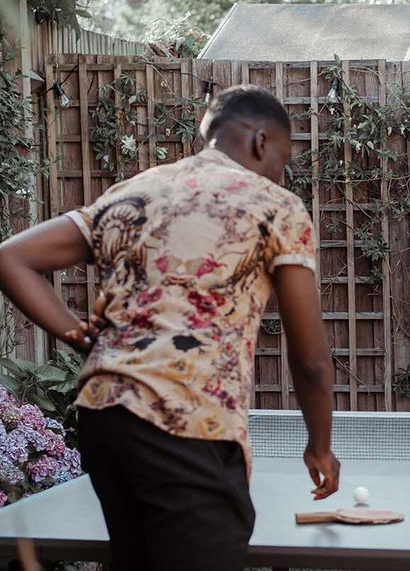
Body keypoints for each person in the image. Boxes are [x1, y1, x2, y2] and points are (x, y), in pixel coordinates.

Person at [0, 84, 340, 571]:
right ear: (263, 143)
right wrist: (320, 446)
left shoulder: (136, 191)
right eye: (282, 159)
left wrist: (75, 332)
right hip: (185, 419)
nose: (279, 172)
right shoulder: (276, 206)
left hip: (103, 416)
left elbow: (12, 258)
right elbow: (310, 360)